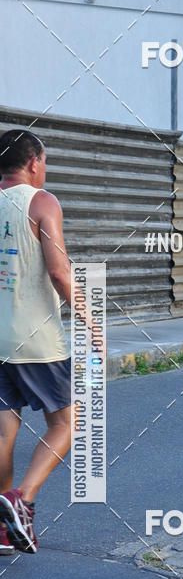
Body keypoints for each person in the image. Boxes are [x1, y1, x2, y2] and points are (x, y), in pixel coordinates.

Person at [0, 130, 96, 555]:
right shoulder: (42, 202)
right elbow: (59, 272)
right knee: (65, 425)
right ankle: (23, 500)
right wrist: (91, 323)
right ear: (34, 162)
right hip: (37, 339)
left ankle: (4, 529)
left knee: (4, 429)